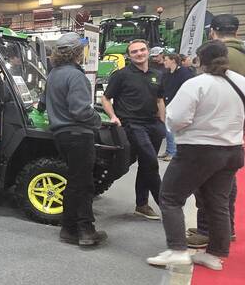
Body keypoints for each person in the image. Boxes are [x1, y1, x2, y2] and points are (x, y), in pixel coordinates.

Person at [147, 40, 245, 271]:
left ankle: (177, 249)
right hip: (233, 151)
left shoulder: (197, 84)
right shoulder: (244, 84)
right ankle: (215, 254)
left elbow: (176, 118)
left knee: (170, 198)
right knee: (218, 203)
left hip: (198, 151)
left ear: (200, 60)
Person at [186, 15, 245, 249]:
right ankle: (226, 226)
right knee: (225, 181)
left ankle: (208, 230)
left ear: (213, 31)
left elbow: (206, 92)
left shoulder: (217, 54)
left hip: (211, 131)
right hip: (234, 129)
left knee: (206, 182)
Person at [45, 33, 106, 247]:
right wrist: (98, 120)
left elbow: (46, 104)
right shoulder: (75, 75)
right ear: (77, 52)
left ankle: (68, 229)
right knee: (83, 184)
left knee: (74, 182)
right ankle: (86, 231)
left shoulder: (54, 74)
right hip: (78, 134)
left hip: (62, 136)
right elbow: (80, 111)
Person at [102, 39, 165, 220]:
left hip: (153, 125)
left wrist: (162, 121)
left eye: (142, 50)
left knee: (145, 164)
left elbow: (160, 99)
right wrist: (114, 117)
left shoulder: (157, 74)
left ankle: (142, 205)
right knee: (152, 162)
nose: (139, 54)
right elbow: (106, 99)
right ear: (129, 56)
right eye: (135, 51)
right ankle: (167, 206)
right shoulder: (121, 75)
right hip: (132, 124)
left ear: (148, 51)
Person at [158, 53, 195, 160]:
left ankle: (173, 151)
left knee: (171, 128)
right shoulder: (166, 73)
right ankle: (170, 150)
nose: (164, 62)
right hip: (167, 102)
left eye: (166, 60)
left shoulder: (184, 73)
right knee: (167, 127)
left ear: (173, 60)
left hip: (179, 102)